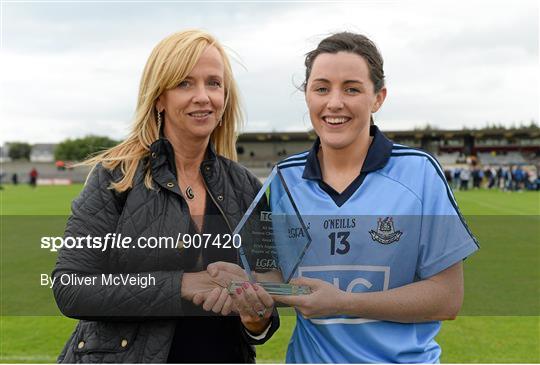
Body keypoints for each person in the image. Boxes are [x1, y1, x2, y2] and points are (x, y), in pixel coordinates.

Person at [52, 30, 278, 363]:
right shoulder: (116, 176)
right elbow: (71, 287)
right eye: (185, 84)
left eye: (214, 83)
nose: (203, 96)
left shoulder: (247, 186)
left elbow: (267, 302)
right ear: (160, 98)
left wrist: (255, 316)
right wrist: (183, 285)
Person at [267, 32, 478, 363]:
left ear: (378, 98)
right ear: (307, 95)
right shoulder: (284, 179)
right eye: (321, 88)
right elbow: (276, 278)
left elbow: (447, 298)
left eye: (352, 88)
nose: (334, 102)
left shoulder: (418, 173)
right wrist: (242, 284)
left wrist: (344, 303)